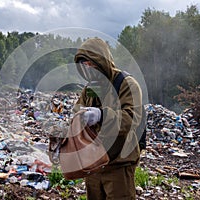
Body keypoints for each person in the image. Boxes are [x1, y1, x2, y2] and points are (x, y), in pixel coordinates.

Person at [73, 37, 143, 199]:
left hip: (118, 163)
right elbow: (77, 110)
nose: (88, 69)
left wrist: (101, 115)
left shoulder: (126, 84)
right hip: (93, 164)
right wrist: (78, 118)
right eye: (84, 65)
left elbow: (131, 119)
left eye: (91, 64)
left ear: (102, 61)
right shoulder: (89, 88)